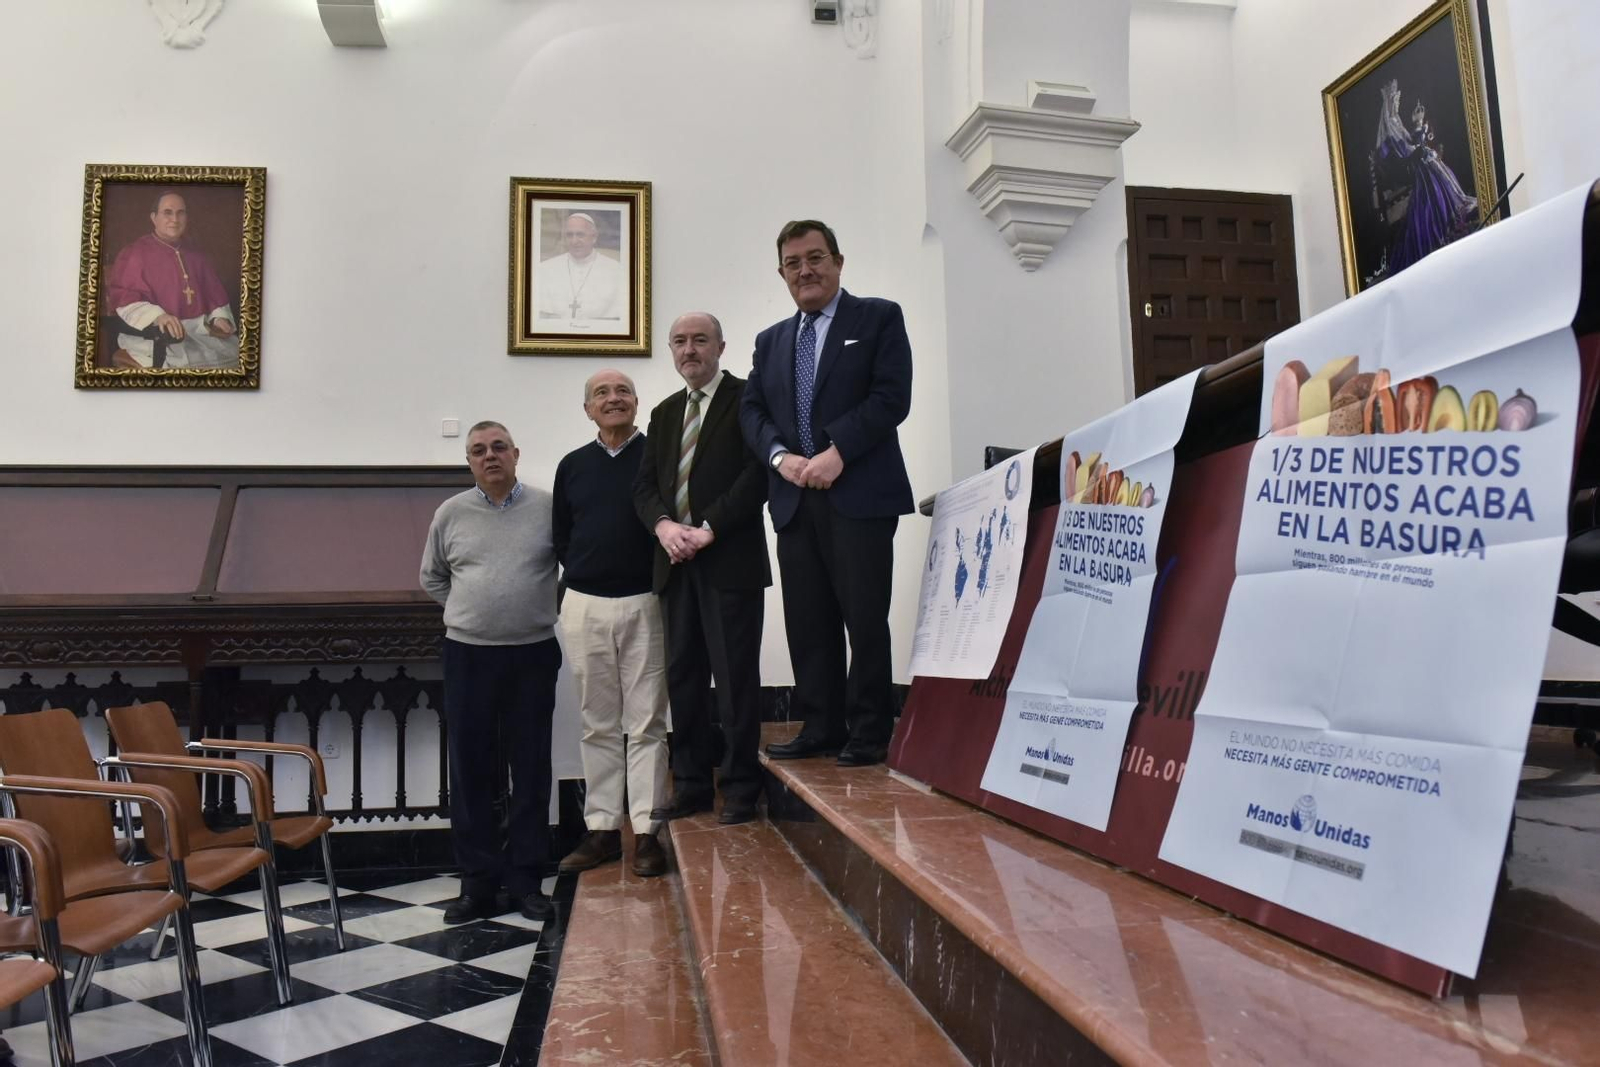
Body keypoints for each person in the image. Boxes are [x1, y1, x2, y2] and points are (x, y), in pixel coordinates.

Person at [740, 220, 913, 768]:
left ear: (838, 262)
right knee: (808, 620)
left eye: (816, 258)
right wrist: (779, 457)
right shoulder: (771, 342)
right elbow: (752, 411)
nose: (806, 270)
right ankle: (820, 725)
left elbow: (892, 397)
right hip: (794, 500)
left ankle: (868, 730)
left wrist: (838, 450)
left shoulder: (879, 318)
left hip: (858, 491)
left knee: (864, 617)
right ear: (782, 274)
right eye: (794, 263)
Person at [421, 421, 562, 922]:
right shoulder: (451, 513)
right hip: (469, 655)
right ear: (470, 462)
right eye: (478, 450)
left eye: (498, 447)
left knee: (530, 769)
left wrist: (534, 607)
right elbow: (432, 577)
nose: (490, 456)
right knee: (471, 770)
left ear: (516, 453)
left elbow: (568, 569)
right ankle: (476, 884)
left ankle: (527, 882)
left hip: (532, 654)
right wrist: (471, 613)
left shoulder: (547, 507)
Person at [634, 312, 771, 824]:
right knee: (683, 678)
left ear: (720, 346)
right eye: (679, 342)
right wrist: (666, 527)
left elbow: (756, 475)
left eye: (699, 340)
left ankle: (739, 788)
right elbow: (644, 488)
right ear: (670, 351)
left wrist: (710, 527)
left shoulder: (747, 400)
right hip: (674, 564)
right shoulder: (666, 413)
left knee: (736, 680)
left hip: (729, 561)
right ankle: (691, 785)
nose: (689, 350)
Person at [553, 370, 671, 877]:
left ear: (637, 404)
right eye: (601, 393)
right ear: (588, 409)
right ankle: (602, 828)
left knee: (647, 724)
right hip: (584, 605)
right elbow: (562, 535)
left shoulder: (659, 457)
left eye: (622, 391)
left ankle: (646, 832)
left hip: (647, 601)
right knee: (597, 723)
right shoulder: (573, 466)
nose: (612, 398)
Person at [104, 191, 241, 369]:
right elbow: (125, 298)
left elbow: (214, 295)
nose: (175, 219)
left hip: (199, 333)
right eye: (167, 212)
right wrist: (158, 316)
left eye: (180, 212)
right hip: (154, 334)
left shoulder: (196, 255)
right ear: (154, 218)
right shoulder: (135, 253)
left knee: (238, 357)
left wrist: (218, 318)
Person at [1366, 79, 1478, 284]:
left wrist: (1420, 127)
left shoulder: (1398, 125)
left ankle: (1452, 223)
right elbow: (1411, 150)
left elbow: (1416, 145)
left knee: (1440, 179)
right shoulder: (1394, 128)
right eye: (1395, 101)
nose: (1398, 104)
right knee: (1432, 197)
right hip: (1423, 171)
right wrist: (1419, 126)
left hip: (1426, 165)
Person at [536, 211, 625, 325]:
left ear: (594, 237)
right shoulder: (545, 269)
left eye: (580, 235)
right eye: (569, 235)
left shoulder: (616, 270)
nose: (574, 241)